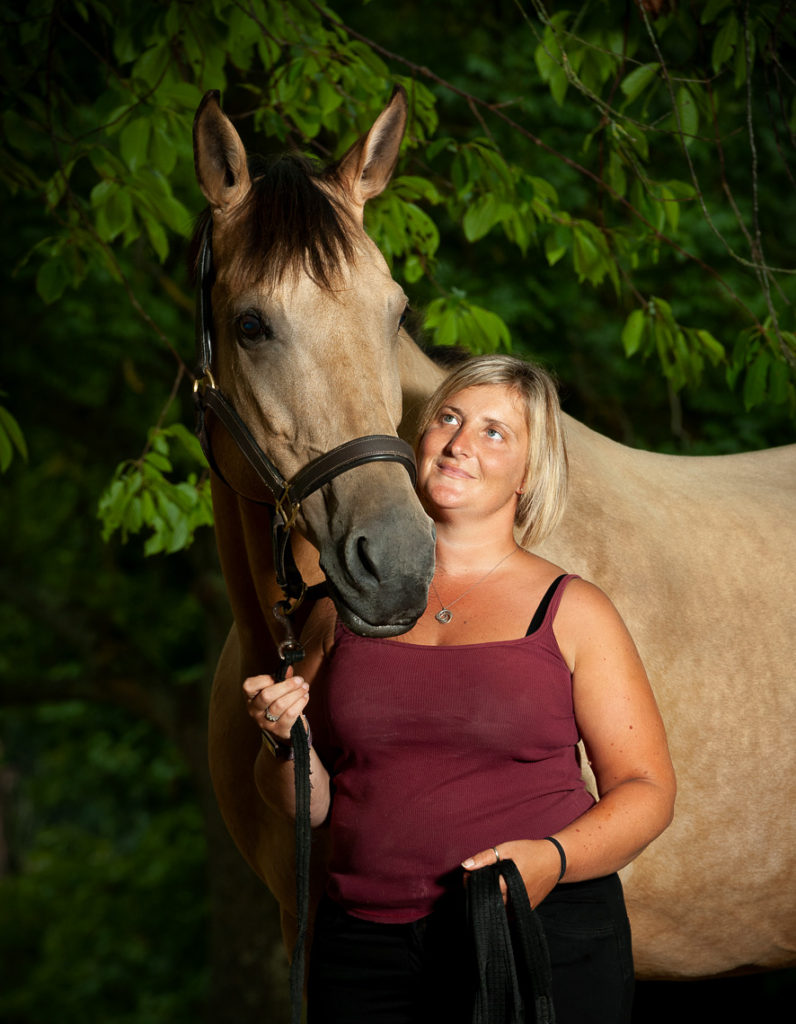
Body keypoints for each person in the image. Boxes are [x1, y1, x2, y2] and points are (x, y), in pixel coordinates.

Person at [243, 355, 676, 1024]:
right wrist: (282, 741)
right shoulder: (338, 609)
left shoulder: (574, 610)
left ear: (529, 474)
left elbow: (647, 791)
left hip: (535, 935)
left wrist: (554, 860)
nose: (459, 443)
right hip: (363, 948)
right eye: (448, 418)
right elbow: (306, 807)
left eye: (494, 432)